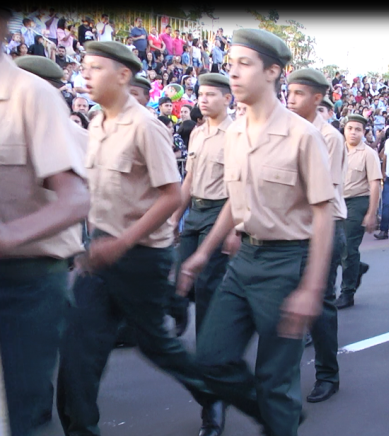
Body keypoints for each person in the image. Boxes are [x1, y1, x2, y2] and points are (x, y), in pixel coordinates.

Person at [55, 40, 219, 436]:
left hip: (142, 254)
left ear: (123, 76)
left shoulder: (148, 126)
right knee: (78, 352)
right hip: (100, 255)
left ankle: (212, 395)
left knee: (158, 347)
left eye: (95, 68)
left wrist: (123, 241)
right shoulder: (96, 123)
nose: (85, 75)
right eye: (84, 67)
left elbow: (172, 193)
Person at [177, 28, 335, 435]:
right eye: (230, 65)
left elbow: (323, 214)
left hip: (287, 264)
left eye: (244, 64)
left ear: (273, 72)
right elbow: (235, 200)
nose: (233, 73)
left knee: (275, 380)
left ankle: (278, 414)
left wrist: (311, 289)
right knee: (210, 359)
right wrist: (202, 253)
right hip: (244, 259)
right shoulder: (234, 132)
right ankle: (276, 416)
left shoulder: (303, 136)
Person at [0, 16, 89, 433]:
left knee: (25, 414)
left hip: (25, 281)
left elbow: (77, 199)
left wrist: (9, 235)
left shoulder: (29, 96)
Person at [167, 72, 233, 435]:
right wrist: (176, 216)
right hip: (196, 213)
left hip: (222, 212)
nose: (203, 100)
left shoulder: (236, 134)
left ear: (228, 99)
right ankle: (185, 318)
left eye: (211, 94)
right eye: (201, 94)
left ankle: (214, 393)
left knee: (207, 286)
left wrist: (235, 228)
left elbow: (241, 185)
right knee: (180, 276)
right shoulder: (196, 133)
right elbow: (189, 179)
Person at [285, 68, 347, 404]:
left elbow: (323, 193)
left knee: (320, 306)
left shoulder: (330, 137)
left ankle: (328, 375)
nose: (290, 99)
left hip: (322, 226)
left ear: (317, 98)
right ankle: (285, 382)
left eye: (298, 93)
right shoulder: (284, 130)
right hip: (292, 229)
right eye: (289, 92)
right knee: (288, 303)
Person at [335, 114, 382, 309]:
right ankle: (357, 268)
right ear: (344, 129)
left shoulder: (368, 153)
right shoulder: (336, 150)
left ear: (364, 132)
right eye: (350, 128)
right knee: (332, 247)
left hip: (357, 202)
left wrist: (372, 213)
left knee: (348, 247)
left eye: (358, 129)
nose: (353, 132)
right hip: (337, 201)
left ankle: (348, 292)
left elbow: (375, 183)